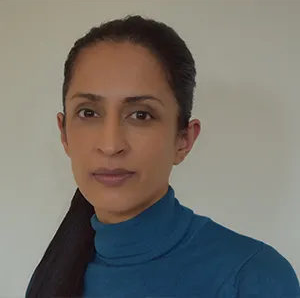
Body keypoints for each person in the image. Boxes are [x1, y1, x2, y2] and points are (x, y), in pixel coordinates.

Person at [25, 15, 300, 298]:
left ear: (184, 140)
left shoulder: (253, 278)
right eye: (89, 113)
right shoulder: (53, 276)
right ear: (64, 134)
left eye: (141, 115)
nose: (110, 145)